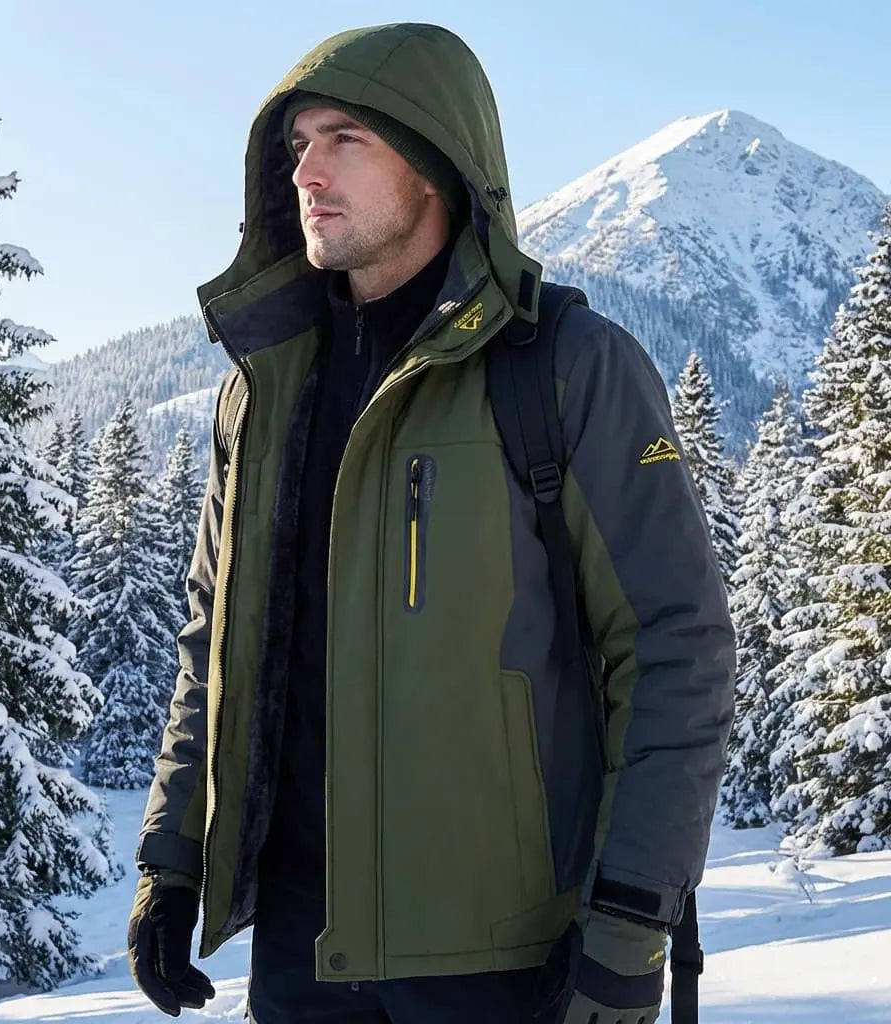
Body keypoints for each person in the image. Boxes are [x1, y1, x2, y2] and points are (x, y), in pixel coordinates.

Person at [127, 22, 736, 1024]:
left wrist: (628, 929)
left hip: (504, 967)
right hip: (299, 962)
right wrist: (172, 857)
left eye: (345, 141)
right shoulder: (265, 391)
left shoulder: (565, 366)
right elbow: (215, 646)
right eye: (296, 146)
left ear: (437, 161)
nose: (306, 174)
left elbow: (674, 652)